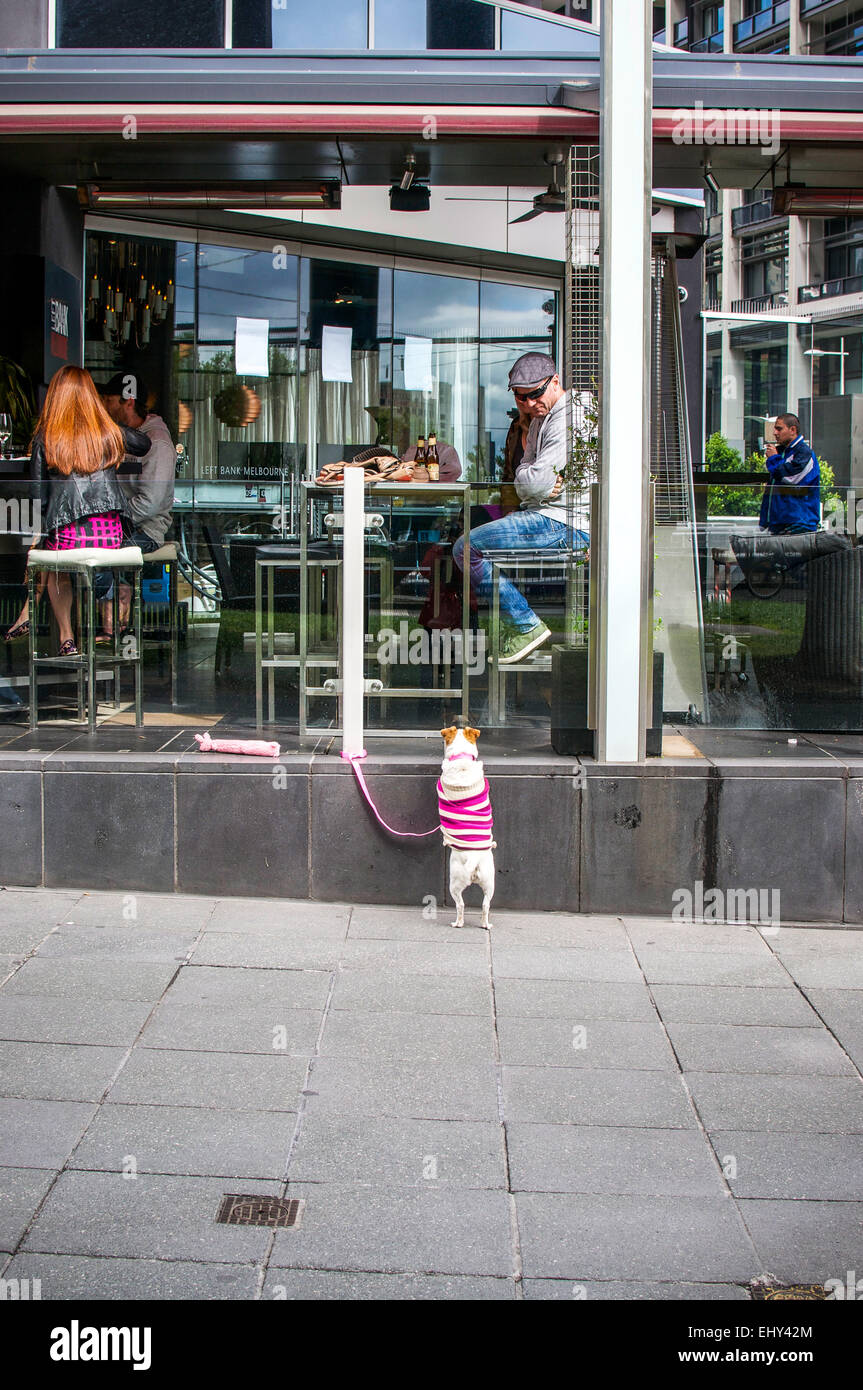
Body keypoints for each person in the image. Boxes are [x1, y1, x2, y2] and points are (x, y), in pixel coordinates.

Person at [452, 352, 587, 665]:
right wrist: (533, 483)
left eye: (535, 394)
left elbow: (534, 481)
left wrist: (533, 484)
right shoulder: (542, 418)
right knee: (467, 545)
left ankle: (525, 624)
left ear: (555, 381)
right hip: (545, 514)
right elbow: (524, 475)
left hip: (563, 522)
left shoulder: (570, 416)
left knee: (466, 547)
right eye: (520, 397)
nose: (528, 404)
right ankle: (521, 625)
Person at [4, 365, 149, 656]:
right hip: (110, 536)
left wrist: (41, 535)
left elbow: (38, 496)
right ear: (90, 398)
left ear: (56, 397)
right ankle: (36, 617)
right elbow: (143, 443)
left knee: (56, 560)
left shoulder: (47, 436)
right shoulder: (105, 432)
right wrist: (106, 423)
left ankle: (64, 636)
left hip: (68, 537)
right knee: (54, 552)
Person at [99, 373, 176, 631]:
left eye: (109, 400)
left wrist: (110, 521)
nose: (104, 407)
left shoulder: (157, 443)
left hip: (147, 530)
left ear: (128, 402)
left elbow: (150, 504)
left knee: (104, 556)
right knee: (88, 547)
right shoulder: (118, 436)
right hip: (119, 524)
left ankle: (113, 629)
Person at [759, 412, 820, 535]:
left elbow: (790, 478)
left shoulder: (804, 453)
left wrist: (773, 459)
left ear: (792, 430)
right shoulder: (782, 452)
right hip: (780, 522)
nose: (775, 433)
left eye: (779, 429)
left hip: (798, 524)